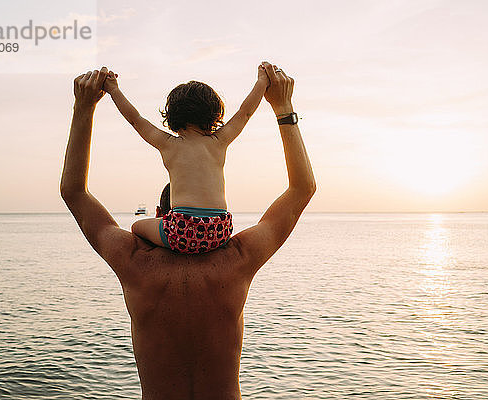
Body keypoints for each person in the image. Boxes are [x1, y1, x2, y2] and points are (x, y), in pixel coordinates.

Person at [60, 62, 315, 400]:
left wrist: (84, 107)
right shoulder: (239, 258)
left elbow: (74, 191)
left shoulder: (133, 259)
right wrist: (283, 107)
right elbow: (302, 189)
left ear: (161, 216)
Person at [101, 64, 271, 254]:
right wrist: (261, 82)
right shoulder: (219, 141)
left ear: (173, 116)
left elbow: (135, 119)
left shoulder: (168, 144)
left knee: (137, 227)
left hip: (180, 232)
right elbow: (245, 112)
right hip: (220, 230)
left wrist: (114, 90)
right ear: (214, 114)